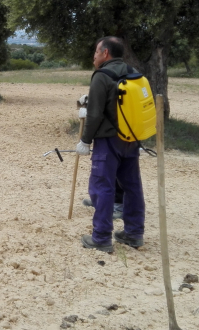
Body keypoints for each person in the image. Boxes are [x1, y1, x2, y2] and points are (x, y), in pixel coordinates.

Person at [76, 36, 145, 253]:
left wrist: (85, 141)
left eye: (96, 52)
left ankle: (101, 237)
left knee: (102, 187)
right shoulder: (133, 72)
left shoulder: (102, 76)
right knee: (132, 186)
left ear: (105, 53)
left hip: (108, 142)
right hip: (132, 139)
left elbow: (95, 115)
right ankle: (134, 233)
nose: (94, 56)